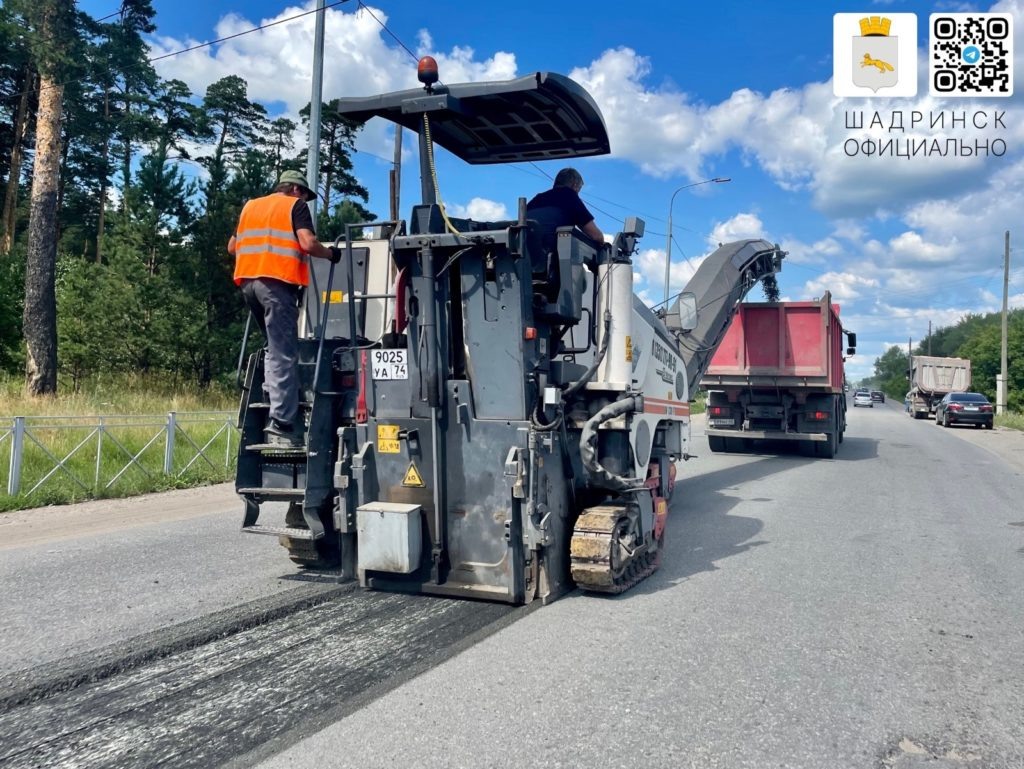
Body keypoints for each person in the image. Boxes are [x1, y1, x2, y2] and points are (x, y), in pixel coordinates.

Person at [227, 170, 342, 447]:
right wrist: (330, 254)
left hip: (248, 284)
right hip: (276, 286)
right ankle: (282, 423)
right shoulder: (295, 206)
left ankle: (272, 400)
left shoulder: (251, 206)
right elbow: (307, 243)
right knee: (283, 353)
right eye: (303, 193)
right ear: (294, 189)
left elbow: (232, 247)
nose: (304, 199)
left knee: (272, 348)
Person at [525, 167, 604, 272]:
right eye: (579, 189)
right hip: (551, 264)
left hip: (525, 262)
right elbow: (596, 236)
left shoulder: (537, 199)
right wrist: (603, 244)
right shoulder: (570, 197)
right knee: (582, 278)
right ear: (575, 185)